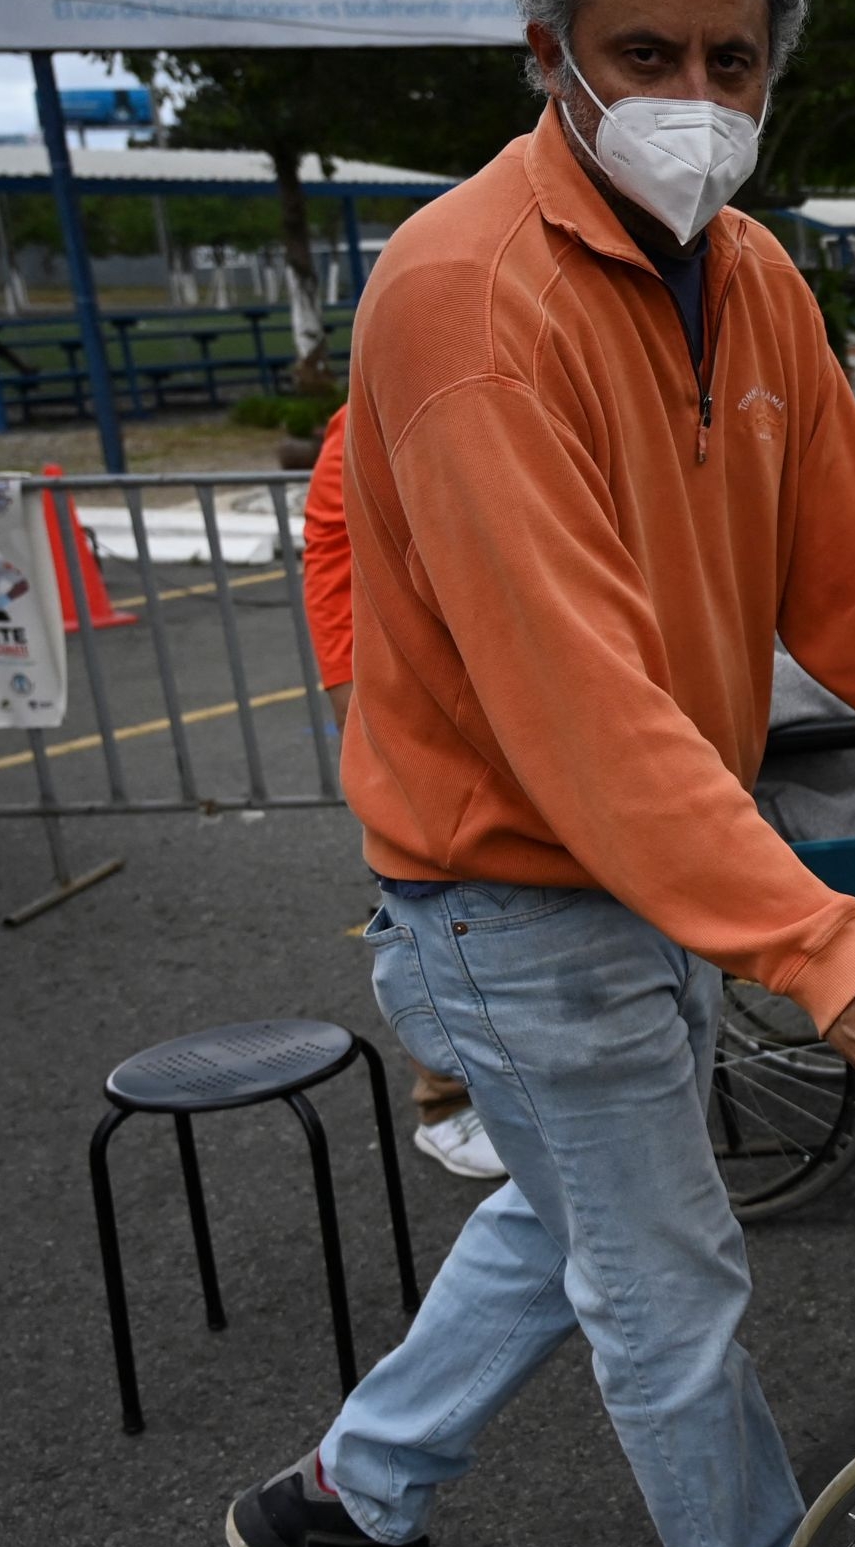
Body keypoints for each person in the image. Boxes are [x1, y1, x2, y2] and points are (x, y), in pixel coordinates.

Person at [223, 0, 855, 1546]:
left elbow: (853, 585)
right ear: (549, 53)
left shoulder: (751, 281)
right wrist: (820, 951)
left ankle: (346, 1495)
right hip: (514, 894)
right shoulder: (468, 295)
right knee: (672, 1302)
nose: (694, 100)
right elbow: (574, 698)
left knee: (569, 1214)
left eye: (729, 63)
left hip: (656, 864)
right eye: (646, 54)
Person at [297, 408, 504, 1182]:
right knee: (427, 878)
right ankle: (445, 1098)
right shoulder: (380, 405)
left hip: (458, 670)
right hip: (395, 672)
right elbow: (334, 567)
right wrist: (355, 692)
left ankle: (482, 1082)